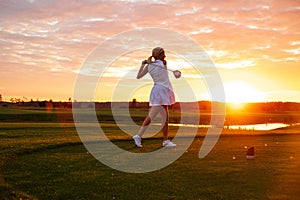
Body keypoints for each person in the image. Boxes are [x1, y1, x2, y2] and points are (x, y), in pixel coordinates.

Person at [132, 47, 178, 147]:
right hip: (161, 91)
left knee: (165, 117)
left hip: (158, 90)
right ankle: (138, 135)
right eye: (163, 54)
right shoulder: (162, 64)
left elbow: (138, 76)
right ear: (158, 55)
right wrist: (176, 72)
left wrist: (143, 64)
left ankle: (165, 140)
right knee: (152, 116)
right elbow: (170, 74)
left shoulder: (150, 66)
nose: (165, 56)